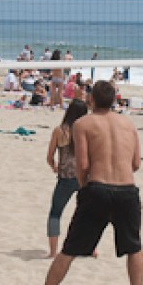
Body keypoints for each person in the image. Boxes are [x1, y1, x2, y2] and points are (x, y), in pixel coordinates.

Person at [33, 81, 143, 285]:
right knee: (134, 247)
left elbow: (82, 164)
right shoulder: (129, 124)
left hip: (98, 189)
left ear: (91, 100)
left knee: (69, 250)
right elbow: (136, 164)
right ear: (114, 99)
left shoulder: (82, 124)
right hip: (127, 189)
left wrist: (85, 188)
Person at [45, 100, 88, 258]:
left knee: (55, 213)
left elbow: (49, 157)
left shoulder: (59, 131)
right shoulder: (86, 132)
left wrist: (55, 167)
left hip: (65, 178)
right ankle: (90, 248)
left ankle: (53, 251)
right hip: (84, 177)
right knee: (86, 214)